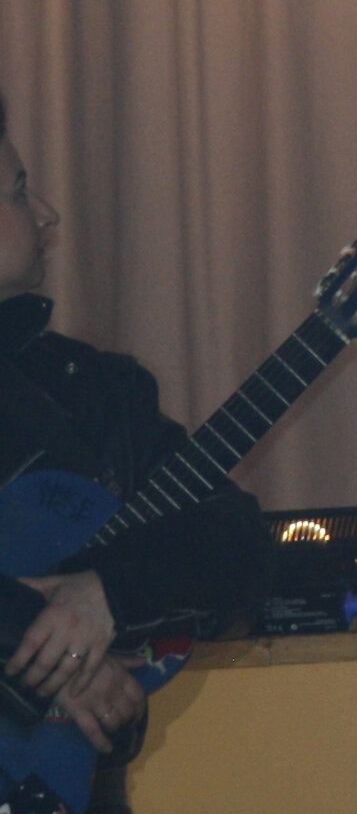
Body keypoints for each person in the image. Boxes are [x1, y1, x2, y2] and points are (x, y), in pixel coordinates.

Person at [0, 95, 268, 814]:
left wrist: (108, 595)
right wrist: (52, 651)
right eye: (19, 191)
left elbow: (235, 539)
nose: (48, 213)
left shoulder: (99, 391)